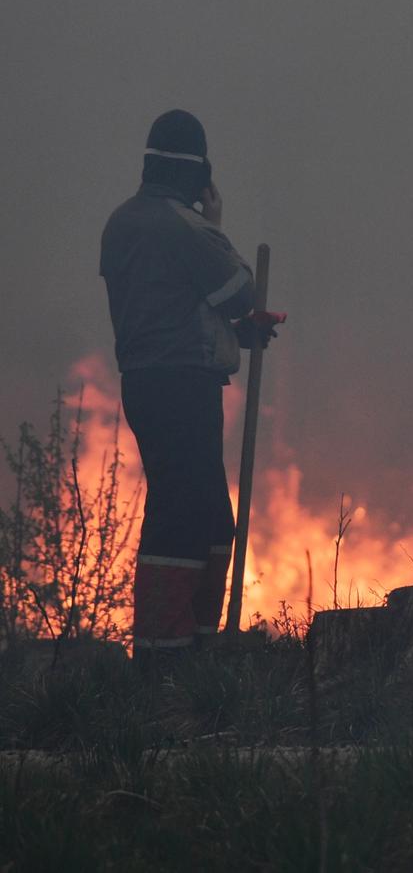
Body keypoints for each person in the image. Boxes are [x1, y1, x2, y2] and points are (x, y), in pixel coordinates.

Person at [101, 109, 259, 667]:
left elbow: (168, 304)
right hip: (183, 386)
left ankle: (198, 642)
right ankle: (166, 657)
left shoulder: (121, 223)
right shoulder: (185, 228)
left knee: (210, 515)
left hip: (147, 382)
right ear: (200, 175)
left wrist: (237, 336)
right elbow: (242, 290)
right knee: (184, 514)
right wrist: (216, 225)